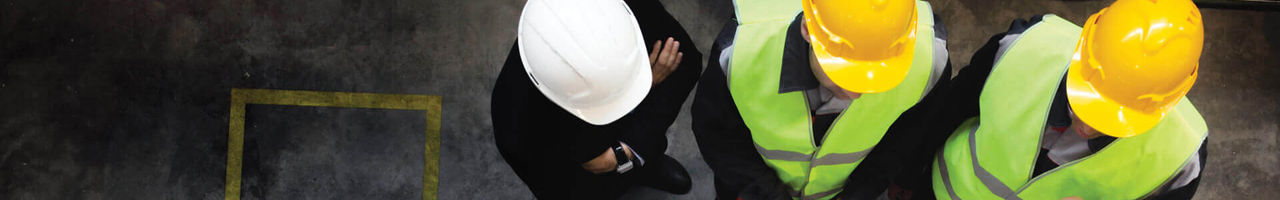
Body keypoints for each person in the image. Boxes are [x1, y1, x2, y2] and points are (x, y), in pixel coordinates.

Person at [928, 0, 1207, 199]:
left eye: (1109, 121)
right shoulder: (1023, 45)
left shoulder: (1181, 160)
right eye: (1084, 101)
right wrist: (909, 177)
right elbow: (946, 111)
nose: (1085, 126)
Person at [692, 0, 952, 199]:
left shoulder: (929, 61)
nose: (857, 93)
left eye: (879, 77)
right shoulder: (741, 52)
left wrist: (858, 194)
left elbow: (904, 141)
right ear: (807, 29)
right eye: (844, 73)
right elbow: (716, 134)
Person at [490, 0, 702, 198]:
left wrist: (628, 152)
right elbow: (557, 189)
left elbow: (687, 63)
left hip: (629, 141)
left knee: (638, 154)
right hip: (571, 177)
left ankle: (641, 167)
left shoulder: (625, 7)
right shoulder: (516, 128)